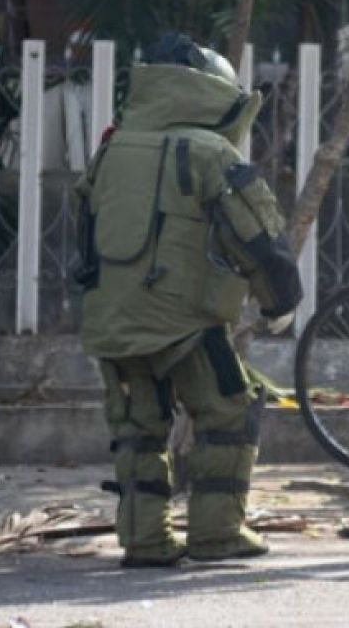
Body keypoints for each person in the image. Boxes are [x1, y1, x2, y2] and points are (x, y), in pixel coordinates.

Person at [75, 33, 302, 567]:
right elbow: (255, 235)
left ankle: (144, 540)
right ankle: (218, 532)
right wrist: (280, 300)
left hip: (111, 315)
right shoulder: (209, 152)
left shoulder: (114, 146)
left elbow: (85, 228)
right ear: (211, 92)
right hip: (186, 322)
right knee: (229, 412)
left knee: (137, 428)